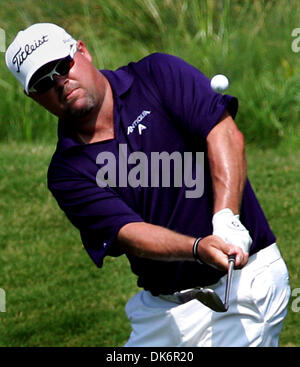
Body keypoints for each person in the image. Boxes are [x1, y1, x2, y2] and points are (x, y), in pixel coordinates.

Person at [5, 23, 290, 347]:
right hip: (161, 311)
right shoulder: (68, 171)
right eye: (43, 81)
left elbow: (224, 133)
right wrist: (197, 248)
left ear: (82, 51)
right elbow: (130, 233)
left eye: (62, 65)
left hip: (242, 286)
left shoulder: (156, 74)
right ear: (33, 97)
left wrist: (226, 218)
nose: (60, 81)